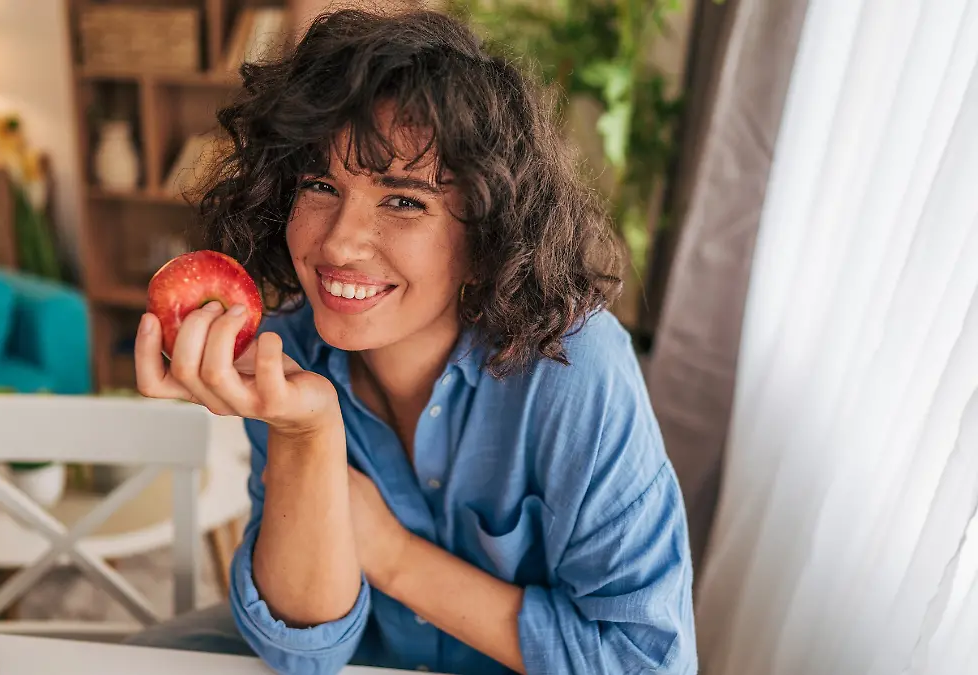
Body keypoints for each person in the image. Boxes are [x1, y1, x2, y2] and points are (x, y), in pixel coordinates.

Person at [129, 8, 697, 675]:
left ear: (487, 233)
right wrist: (305, 432)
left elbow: (645, 661)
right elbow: (301, 654)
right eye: (319, 185)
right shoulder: (284, 357)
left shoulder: (575, 366)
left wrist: (395, 556)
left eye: (403, 201)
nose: (339, 242)